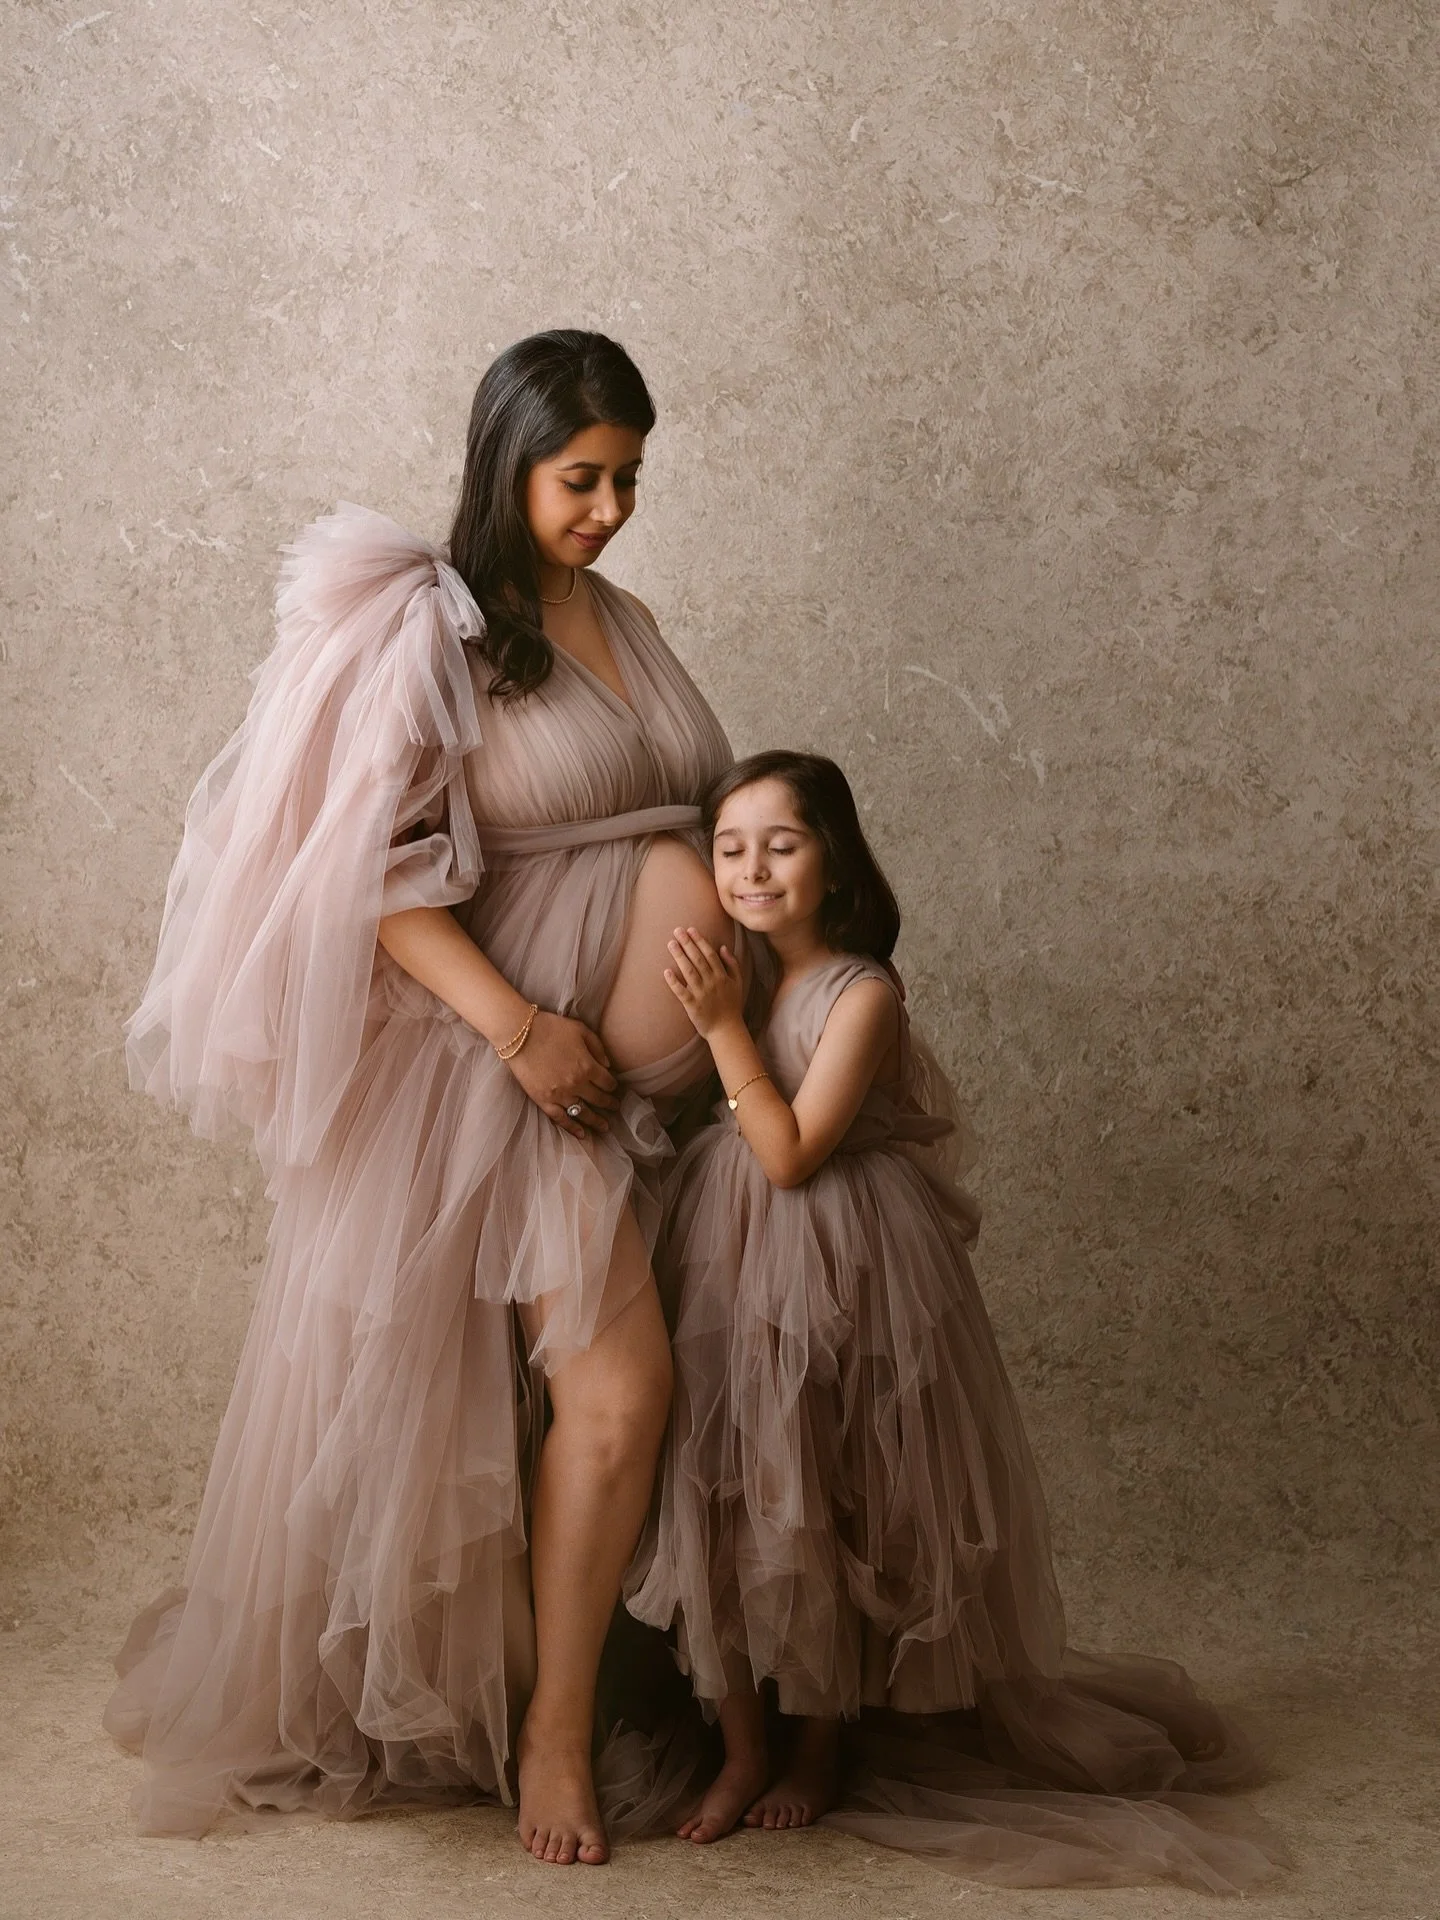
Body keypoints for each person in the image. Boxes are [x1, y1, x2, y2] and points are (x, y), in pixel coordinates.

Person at [105, 331, 736, 1867]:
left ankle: (597, 1685)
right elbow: (355, 873)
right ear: (506, 462)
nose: (608, 508)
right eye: (580, 479)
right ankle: (552, 1740)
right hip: (506, 1065)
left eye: (630, 479)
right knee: (617, 1386)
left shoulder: (624, 618)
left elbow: (688, 819)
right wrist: (523, 1030)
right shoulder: (430, 629)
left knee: (643, 1394)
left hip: (651, 1079)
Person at [625, 750, 1288, 1891]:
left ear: (834, 863)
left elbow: (786, 1153)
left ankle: (820, 1742)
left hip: (844, 1263)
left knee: (838, 1495)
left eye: (781, 844)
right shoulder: (730, 970)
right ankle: (738, 1748)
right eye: (730, 848)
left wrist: (723, 1026)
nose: (751, 868)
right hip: (724, 1260)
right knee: (717, 1482)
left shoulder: (861, 992)